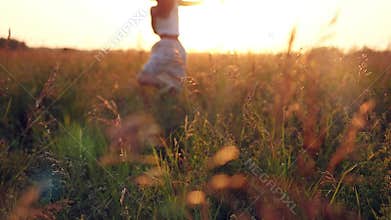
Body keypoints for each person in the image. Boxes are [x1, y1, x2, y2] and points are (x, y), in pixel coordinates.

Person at [137, 0, 201, 93]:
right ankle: (169, 89)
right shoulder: (174, 2)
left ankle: (165, 86)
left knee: (143, 78)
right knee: (177, 83)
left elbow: (155, 30)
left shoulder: (154, 10)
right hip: (178, 47)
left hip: (164, 46)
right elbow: (189, 3)